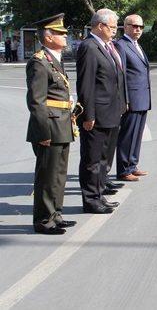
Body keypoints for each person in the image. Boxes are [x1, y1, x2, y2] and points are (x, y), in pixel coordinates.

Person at [26, 14, 76, 234]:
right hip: (50, 127)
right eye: (60, 33)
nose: (65, 36)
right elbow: (36, 102)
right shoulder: (38, 62)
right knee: (47, 176)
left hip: (62, 124)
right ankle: (44, 220)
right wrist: (43, 132)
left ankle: (55, 214)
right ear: (48, 37)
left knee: (59, 174)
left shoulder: (53, 59)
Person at [76, 8, 126, 214]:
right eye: (112, 27)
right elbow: (86, 84)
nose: (115, 30)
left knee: (104, 158)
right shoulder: (89, 46)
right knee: (92, 160)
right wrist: (88, 115)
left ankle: (99, 195)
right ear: (100, 26)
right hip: (96, 115)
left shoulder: (107, 46)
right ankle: (90, 200)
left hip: (111, 113)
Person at [115, 14, 151, 181]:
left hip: (142, 97)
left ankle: (132, 164)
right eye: (134, 26)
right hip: (132, 98)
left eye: (141, 27)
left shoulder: (136, 45)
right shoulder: (122, 45)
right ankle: (123, 169)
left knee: (137, 134)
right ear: (126, 26)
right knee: (128, 135)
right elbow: (121, 75)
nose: (138, 29)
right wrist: (125, 99)